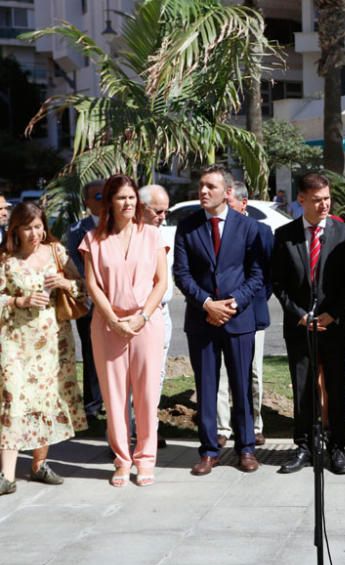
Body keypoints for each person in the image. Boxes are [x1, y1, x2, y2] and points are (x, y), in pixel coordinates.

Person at [173, 165, 265, 476]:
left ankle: (247, 448)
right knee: (207, 387)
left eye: (210, 186)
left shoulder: (247, 227)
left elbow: (257, 275)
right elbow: (181, 274)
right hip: (202, 320)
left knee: (241, 386)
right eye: (201, 185)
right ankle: (209, 450)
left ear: (227, 192)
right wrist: (207, 304)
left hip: (239, 320)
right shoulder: (187, 227)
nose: (203, 191)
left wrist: (233, 303)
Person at [79, 175, 168, 487]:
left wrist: (142, 318)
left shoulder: (153, 236)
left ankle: (145, 460)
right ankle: (121, 460)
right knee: (114, 397)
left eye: (132, 197)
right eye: (121, 198)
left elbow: (161, 282)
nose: (128, 203)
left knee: (146, 396)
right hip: (107, 325)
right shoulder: (94, 239)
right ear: (110, 202)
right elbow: (92, 284)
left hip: (146, 324)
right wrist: (114, 320)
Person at [272, 172, 345, 475]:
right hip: (300, 326)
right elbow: (278, 284)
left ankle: (337, 447)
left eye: (327, 199)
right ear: (302, 200)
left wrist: (332, 313)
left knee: (336, 386)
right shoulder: (284, 236)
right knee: (303, 387)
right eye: (317, 200)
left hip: (334, 324)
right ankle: (305, 445)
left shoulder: (344, 233)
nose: (324, 205)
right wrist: (300, 315)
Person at [0, 202, 87, 495]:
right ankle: (7, 475)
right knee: (13, 399)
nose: (35, 233)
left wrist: (65, 282)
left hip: (53, 341)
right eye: (28, 227)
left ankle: (39, 464)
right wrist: (18, 301)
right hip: (14, 341)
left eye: (39, 227)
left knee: (46, 399)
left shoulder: (55, 252)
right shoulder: (6, 259)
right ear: (16, 229)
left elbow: (84, 288)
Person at [217, 181, 271, 449]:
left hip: (253, 313)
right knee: (223, 377)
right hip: (219, 314)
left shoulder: (262, 231)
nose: (224, 207)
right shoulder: (215, 229)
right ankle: (222, 428)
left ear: (243, 203)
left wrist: (248, 301)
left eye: (229, 202)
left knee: (253, 374)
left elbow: (267, 275)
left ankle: (254, 426)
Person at [62, 179, 106, 423]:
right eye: (98, 197)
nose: (104, 201)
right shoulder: (78, 230)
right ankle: (92, 404)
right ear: (87, 202)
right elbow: (77, 267)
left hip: (117, 302)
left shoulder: (118, 225)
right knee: (91, 355)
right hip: (90, 302)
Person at [138, 184, 172, 449]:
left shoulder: (164, 235)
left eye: (166, 211)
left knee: (156, 376)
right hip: (134, 315)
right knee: (130, 380)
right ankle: (130, 430)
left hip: (162, 312)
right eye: (158, 211)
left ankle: (150, 430)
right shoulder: (129, 235)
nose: (163, 216)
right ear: (141, 208)